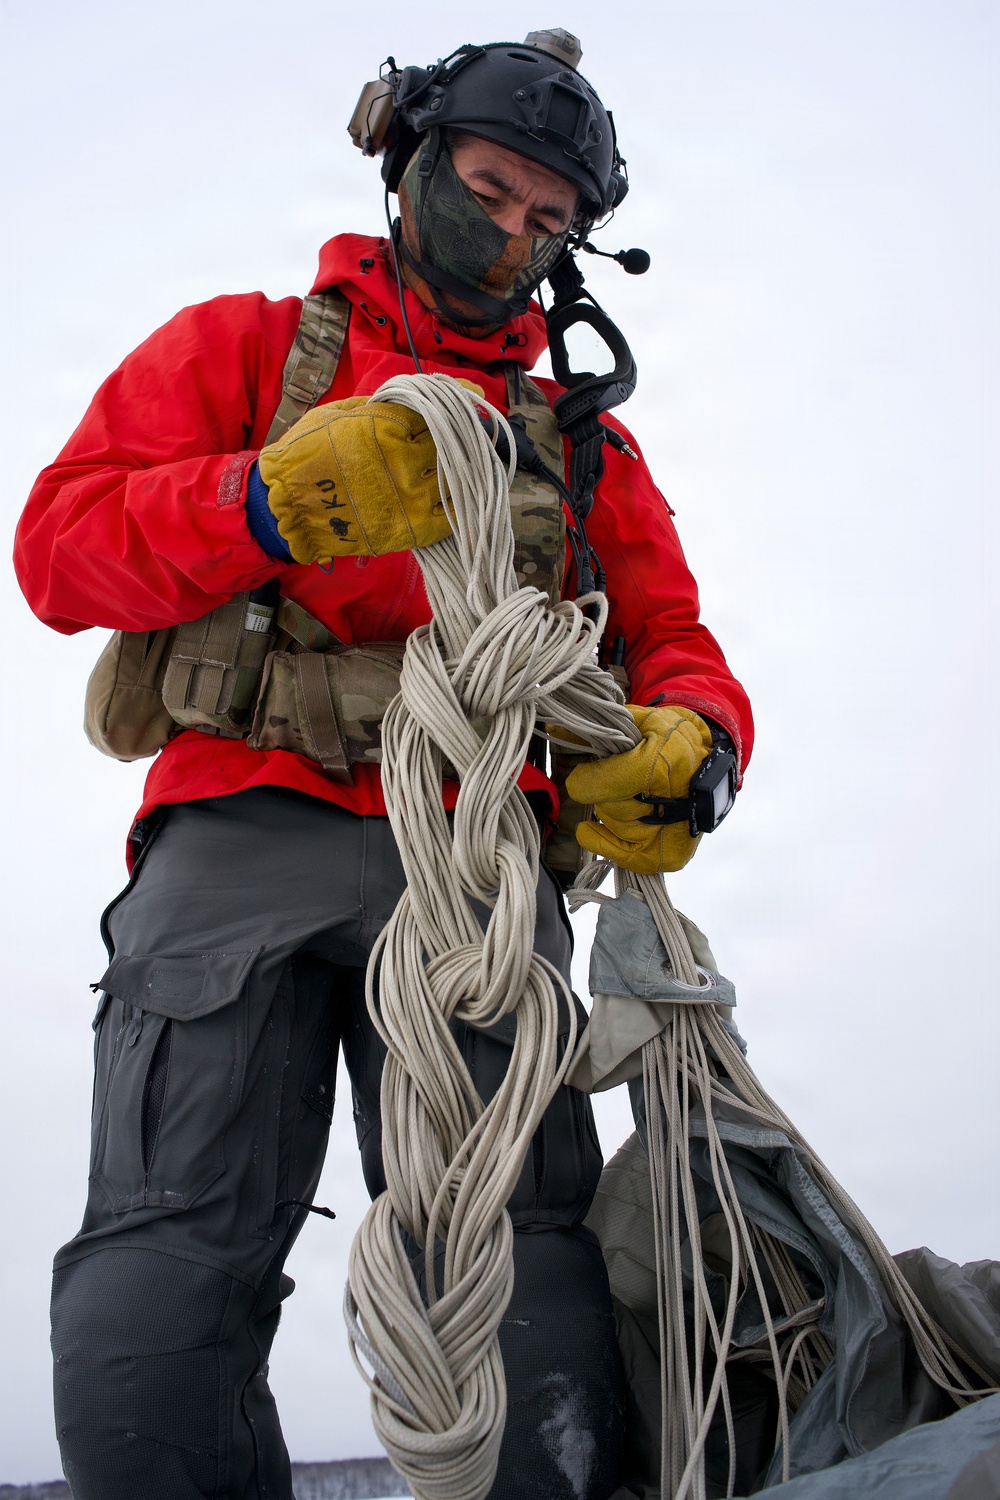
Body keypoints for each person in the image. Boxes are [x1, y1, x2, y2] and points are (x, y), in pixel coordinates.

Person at [14, 29, 753, 1500]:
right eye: (489, 189)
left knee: (519, 1258)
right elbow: (59, 551)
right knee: (169, 1263)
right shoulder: (242, 350)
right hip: (239, 827)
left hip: (476, 858)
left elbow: (670, 640)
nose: (512, 238)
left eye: (551, 221)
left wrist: (698, 745)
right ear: (413, 168)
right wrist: (266, 501)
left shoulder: (578, 445)